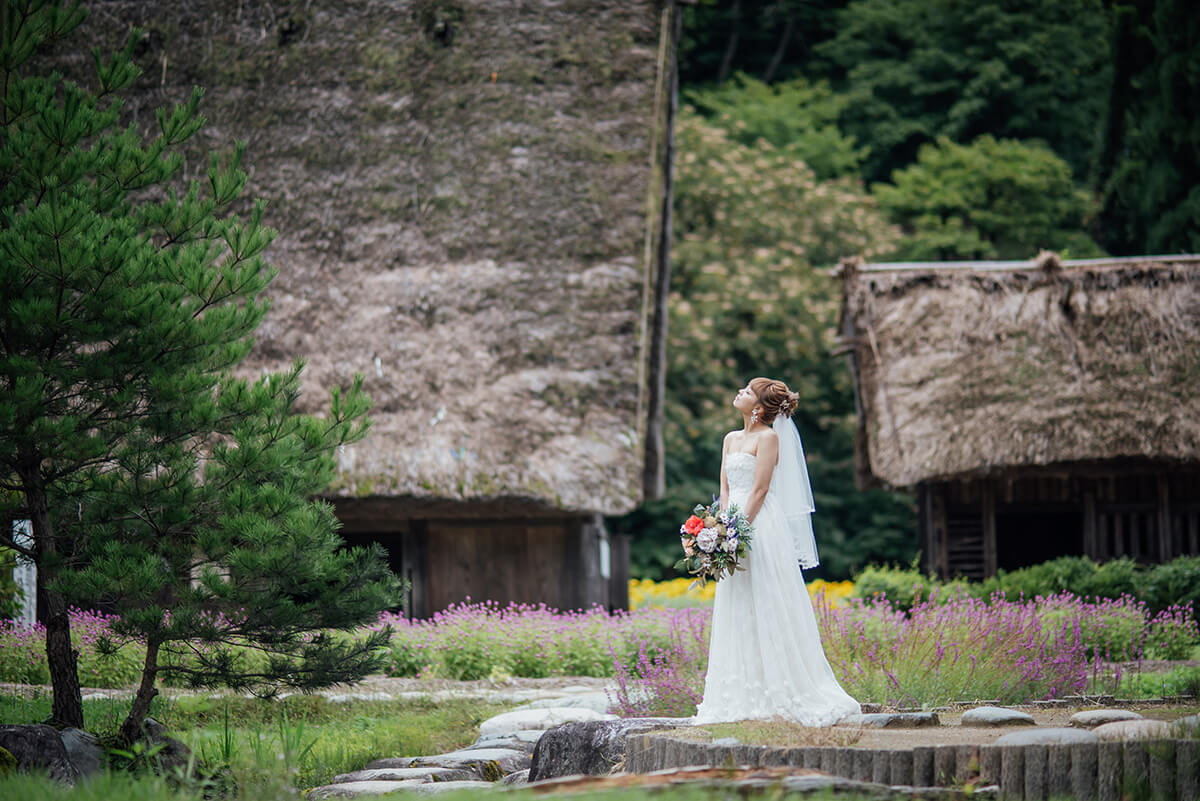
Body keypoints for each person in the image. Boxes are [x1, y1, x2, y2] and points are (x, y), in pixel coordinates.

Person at [692, 377, 860, 726]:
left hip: (760, 527)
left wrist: (737, 531)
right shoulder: (730, 439)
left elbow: (760, 490)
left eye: (748, 391)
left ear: (758, 407)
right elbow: (725, 486)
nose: (739, 391)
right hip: (730, 522)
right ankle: (740, 693)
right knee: (737, 603)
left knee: (767, 600)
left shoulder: (768, 438)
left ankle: (784, 689)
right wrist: (719, 528)